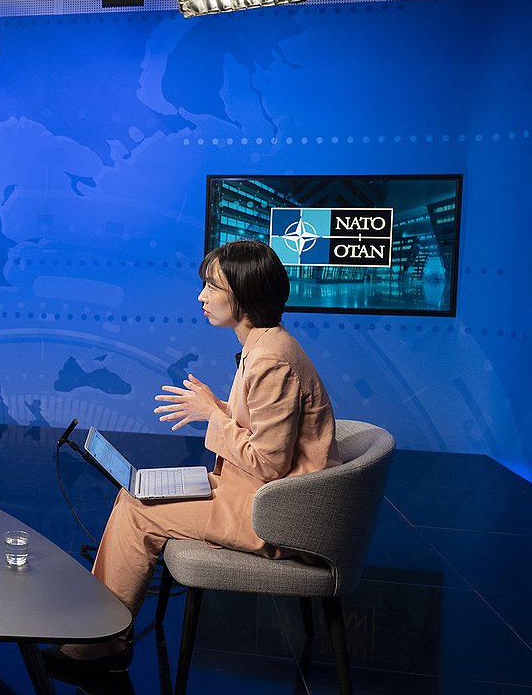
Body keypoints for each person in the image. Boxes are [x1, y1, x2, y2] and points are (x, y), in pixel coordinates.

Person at [42, 239, 339, 674]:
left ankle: (99, 644)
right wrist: (217, 407)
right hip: (262, 496)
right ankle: (98, 632)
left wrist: (210, 417)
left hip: (277, 514)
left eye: (212, 287)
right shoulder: (266, 346)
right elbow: (265, 436)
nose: (202, 296)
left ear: (244, 294)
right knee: (136, 494)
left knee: (139, 509)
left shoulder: (271, 361)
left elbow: (270, 463)